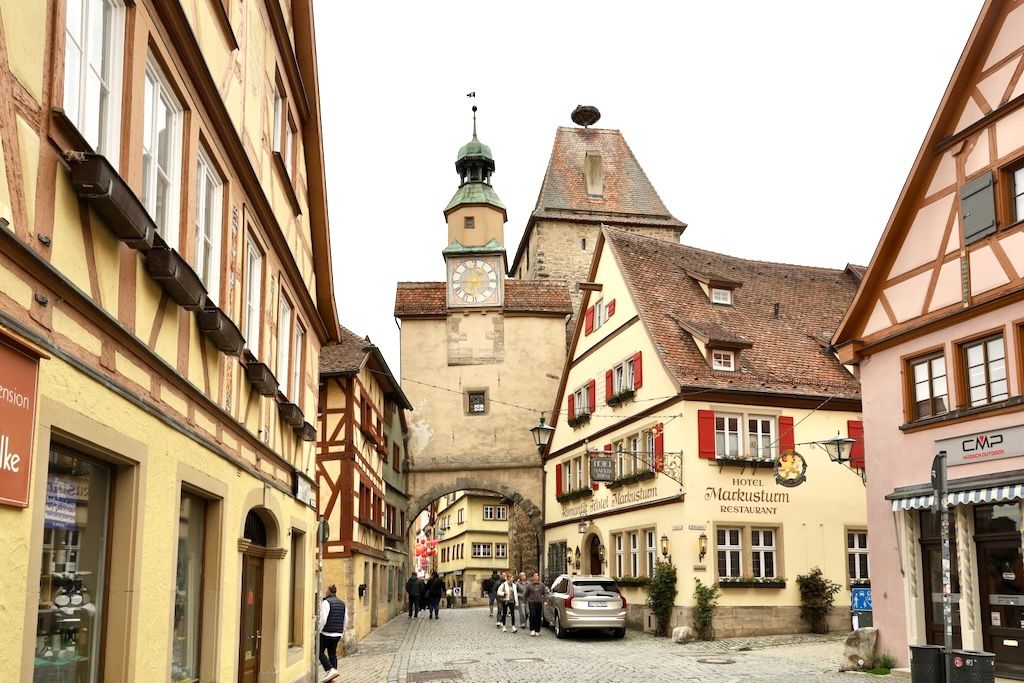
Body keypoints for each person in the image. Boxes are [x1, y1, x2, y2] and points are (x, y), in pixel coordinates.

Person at [317, 584, 348, 682]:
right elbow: (345, 619)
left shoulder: (326, 602)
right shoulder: (342, 604)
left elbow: (323, 619)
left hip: (327, 633)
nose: (326, 592)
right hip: (337, 634)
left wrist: (318, 631)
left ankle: (330, 670)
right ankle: (333, 678)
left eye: (327, 590)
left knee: (318, 651)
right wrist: (341, 632)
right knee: (332, 654)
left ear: (329, 592)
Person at [524, 572, 547, 636]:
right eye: (535, 576)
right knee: (532, 615)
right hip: (531, 602)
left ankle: (537, 630)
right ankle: (532, 629)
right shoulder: (529, 585)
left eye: (537, 576)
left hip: (539, 602)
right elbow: (525, 594)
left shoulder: (541, 585)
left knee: (538, 616)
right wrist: (524, 602)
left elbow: (545, 593)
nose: (536, 577)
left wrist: (545, 601)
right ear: (533, 577)